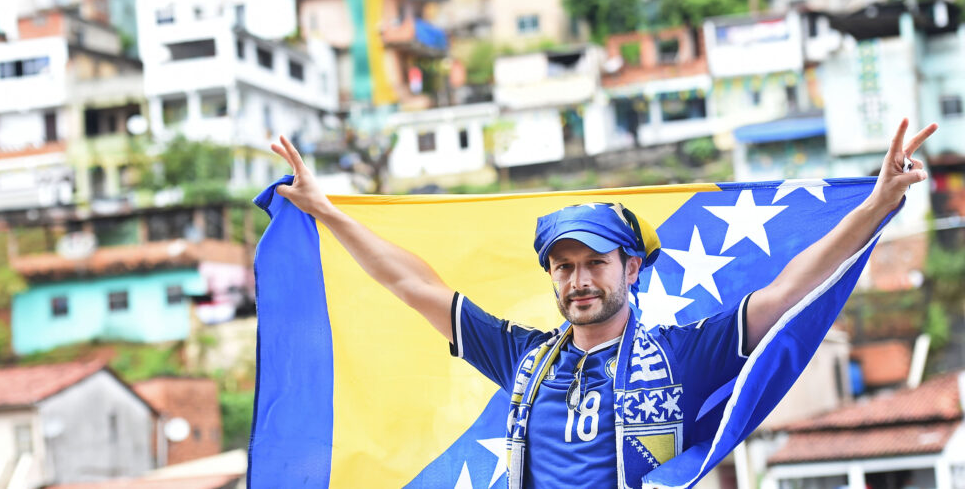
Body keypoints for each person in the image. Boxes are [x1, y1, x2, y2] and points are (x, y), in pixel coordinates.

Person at [269, 118, 936, 488]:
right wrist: (328, 213)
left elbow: (790, 287)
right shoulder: (523, 356)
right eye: (563, 267)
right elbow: (414, 285)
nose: (578, 280)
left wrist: (878, 205)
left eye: (594, 263)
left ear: (632, 268)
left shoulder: (684, 353)